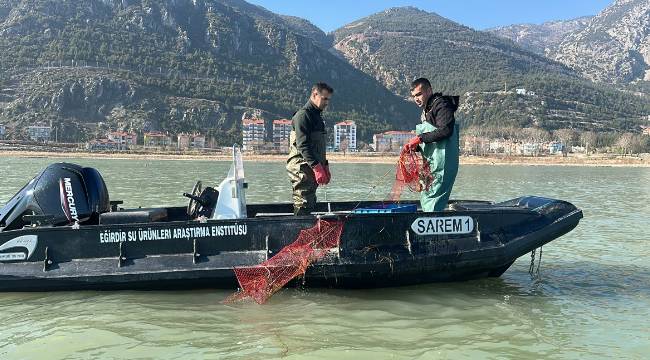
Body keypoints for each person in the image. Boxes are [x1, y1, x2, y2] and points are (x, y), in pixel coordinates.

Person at [403, 78, 460, 212]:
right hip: (430, 163)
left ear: (429, 90)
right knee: (426, 193)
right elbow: (429, 139)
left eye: (419, 94)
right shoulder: (425, 112)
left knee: (434, 195)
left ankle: (431, 225)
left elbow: (446, 130)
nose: (416, 99)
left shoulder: (442, 105)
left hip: (443, 164)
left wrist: (420, 139)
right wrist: (414, 146)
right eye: (414, 96)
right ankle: (427, 220)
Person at [286, 83, 333, 216]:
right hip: (301, 167)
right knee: (303, 202)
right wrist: (318, 168)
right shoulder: (303, 116)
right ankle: (298, 231)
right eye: (324, 99)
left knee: (311, 201)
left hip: (312, 166)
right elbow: (302, 145)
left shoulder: (317, 117)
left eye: (328, 99)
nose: (327, 103)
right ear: (314, 95)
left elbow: (318, 146)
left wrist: (325, 166)